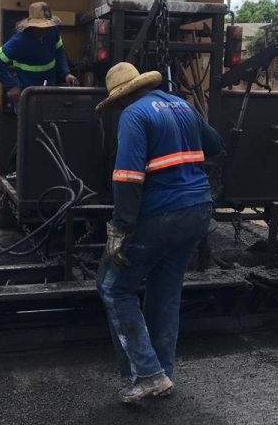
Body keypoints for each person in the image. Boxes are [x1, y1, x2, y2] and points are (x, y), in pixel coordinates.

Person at [95, 62, 223, 404]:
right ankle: (163, 373)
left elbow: (127, 179)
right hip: (198, 210)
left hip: (162, 213)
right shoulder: (182, 105)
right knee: (165, 291)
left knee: (113, 287)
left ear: (121, 97)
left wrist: (120, 227)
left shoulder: (133, 115)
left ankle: (148, 374)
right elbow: (215, 144)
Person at [0, 2, 77, 107]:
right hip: (27, 93)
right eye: (40, 26)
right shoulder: (19, 41)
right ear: (31, 25)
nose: (44, 29)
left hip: (49, 88)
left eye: (47, 25)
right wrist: (11, 86)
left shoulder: (53, 31)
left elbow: (59, 52)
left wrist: (66, 73)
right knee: (28, 116)